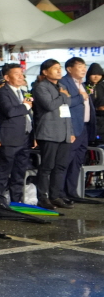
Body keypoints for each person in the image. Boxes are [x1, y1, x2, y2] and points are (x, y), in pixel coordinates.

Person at [33, 59, 75, 209]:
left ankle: (55, 195)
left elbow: (67, 107)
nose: (59, 70)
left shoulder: (61, 86)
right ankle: (42, 197)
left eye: (59, 68)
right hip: (49, 132)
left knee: (61, 166)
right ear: (45, 72)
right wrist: (63, 96)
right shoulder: (41, 87)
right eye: (55, 68)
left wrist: (70, 131)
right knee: (47, 166)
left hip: (64, 132)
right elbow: (49, 105)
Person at [0, 64, 34, 207]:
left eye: (21, 73)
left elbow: (28, 116)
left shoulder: (23, 92)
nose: (21, 76)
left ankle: (16, 200)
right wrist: (25, 106)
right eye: (16, 74)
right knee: (4, 171)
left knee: (20, 172)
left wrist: (33, 134)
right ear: (7, 77)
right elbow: (10, 111)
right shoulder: (2, 92)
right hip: (9, 138)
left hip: (25, 137)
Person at [60, 57, 95, 201]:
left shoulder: (82, 84)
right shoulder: (63, 82)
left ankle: (72, 192)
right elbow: (64, 105)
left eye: (84, 66)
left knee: (77, 161)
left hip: (84, 127)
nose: (84, 69)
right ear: (69, 69)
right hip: (72, 128)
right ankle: (60, 193)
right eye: (80, 66)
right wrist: (81, 97)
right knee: (65, 161)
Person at [90, 62, 104, 142]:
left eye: (99, 74)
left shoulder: (103, 86)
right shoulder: (85, 86)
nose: (96, 77)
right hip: (91, 117)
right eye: (93, 74)